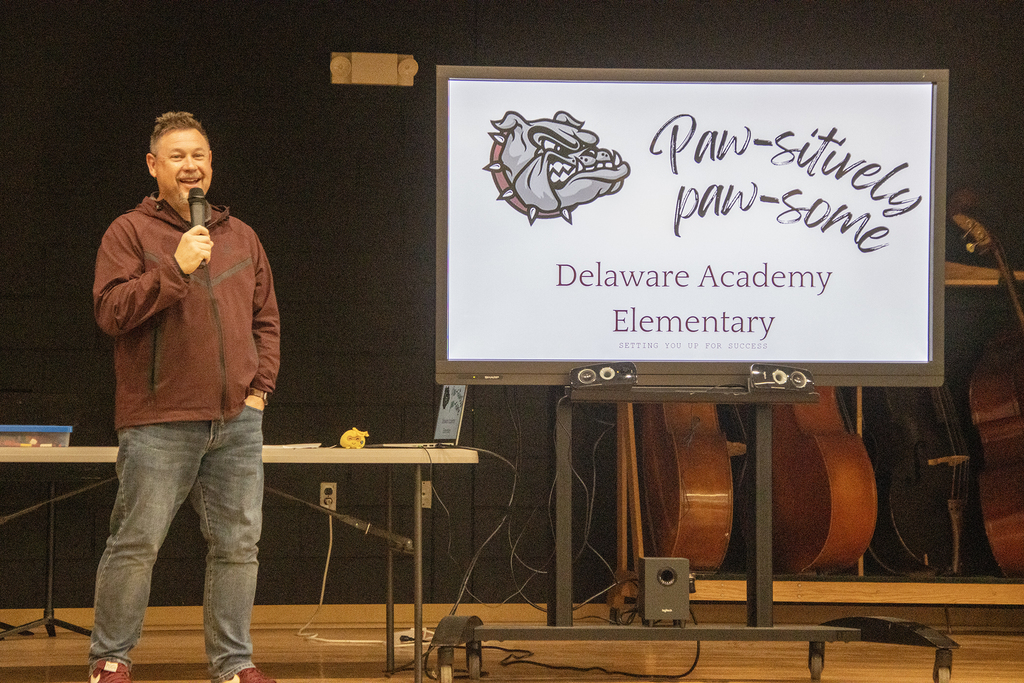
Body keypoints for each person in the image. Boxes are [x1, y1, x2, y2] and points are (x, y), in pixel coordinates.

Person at [89, 112, 281, 683]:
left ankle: (234, 663)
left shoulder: (242, 236)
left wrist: (259, 390)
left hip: (236, 424)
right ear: (154, 166)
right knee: (136, 543)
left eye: (198, 155)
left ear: (210, 164)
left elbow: (265, 318)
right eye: (177, 156)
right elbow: (111, 312)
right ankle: (111, 658)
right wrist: (174, 269)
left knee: (238, 547)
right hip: (158, 422)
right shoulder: (128, 232)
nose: (190, 165)